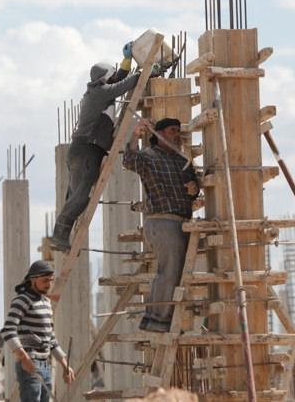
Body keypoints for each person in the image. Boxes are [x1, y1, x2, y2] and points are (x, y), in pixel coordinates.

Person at [51, 41, 149, 252]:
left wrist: (127, 60)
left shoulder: (98, 90)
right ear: (105, 77)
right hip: (88, 150)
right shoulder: (100, 92)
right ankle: (59, 235)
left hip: (81, 148)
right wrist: (148, 71)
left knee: (75, 195)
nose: (113, 78)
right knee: (80, 197)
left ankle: (60, 235)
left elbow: (119, 79)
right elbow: (125, 84)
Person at [123, 117, 200, 332]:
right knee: (170, 269)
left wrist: (195, 188)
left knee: (178, 271)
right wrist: (135, 134)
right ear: (159, 134)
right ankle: (157, 317)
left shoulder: (181, 160)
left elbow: (196, 186)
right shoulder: (149, 156)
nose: (176, 134)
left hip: (182, 221)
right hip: (162, 220)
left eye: (178, 130)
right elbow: (129, 161)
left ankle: (161, 317)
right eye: (171, 130)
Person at [0, 260, 75, 402]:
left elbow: (50, 338)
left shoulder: (46, 303)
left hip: (46, 364)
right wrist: (24, 357)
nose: (49, 284)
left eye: (51, 281)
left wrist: (65, 365)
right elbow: (8, 330)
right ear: (33, 279)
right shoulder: (22, 300)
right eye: (45, 280)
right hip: (31, 363)